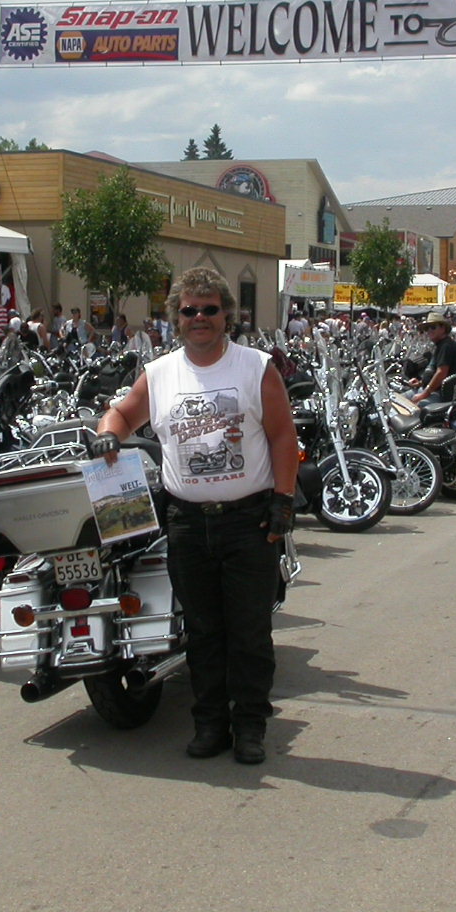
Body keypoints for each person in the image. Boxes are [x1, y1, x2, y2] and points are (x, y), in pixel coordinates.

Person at [93, 267, 298, 766]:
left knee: (249, 633)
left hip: (248, 521)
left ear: (227, 315)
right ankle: (210, 724)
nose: (199, 317)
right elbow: (122, 414)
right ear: (176, 317)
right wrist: (107, 435)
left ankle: (249, 727)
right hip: (185, 523)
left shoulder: (255, 368)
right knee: (203, 632)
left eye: (209, 309)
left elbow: (282, 436)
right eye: (189, 310)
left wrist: (283, 500)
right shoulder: (161, 373)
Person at [409, 312, 456, 404]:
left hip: (438, 394)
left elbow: (441, 373)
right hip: (427, 389)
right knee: (396, 398)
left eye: (433, 327)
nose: (429, 331)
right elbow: (433, 370)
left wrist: (424, 394)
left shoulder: (446, 346)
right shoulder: (439, 345)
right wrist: (421, 382)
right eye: (426, 328)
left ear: (443, 328)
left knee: (414, 407)